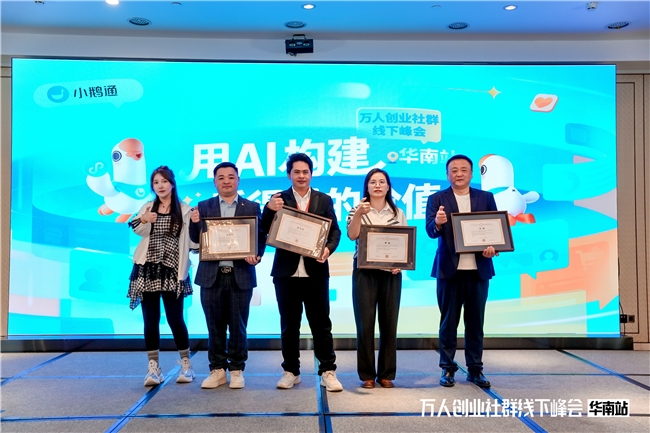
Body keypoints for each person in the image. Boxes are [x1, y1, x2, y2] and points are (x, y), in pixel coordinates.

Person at [261, 153, 343, 392]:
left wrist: (327, 249)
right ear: (289, 174)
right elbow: (263, 229)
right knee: (289, 325)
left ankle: (327, 370)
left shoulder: (323, 200)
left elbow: (335, 232)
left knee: (321, 324)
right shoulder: (278, 199)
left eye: (305, 172)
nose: (301, 176)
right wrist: (268, 209)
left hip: (315, 271)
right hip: (285, 273)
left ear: (311, 174)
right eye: (296, 172)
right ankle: (291, 371)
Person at [189, 162, 266, 390]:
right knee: (214, 326)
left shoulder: (251, 206)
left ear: (238, 180)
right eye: (221, 177)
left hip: (240, 274)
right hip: (211, 275)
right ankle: (217, 369)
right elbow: (195, 239)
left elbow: (260, 237)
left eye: (231, 177)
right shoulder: (204, 206)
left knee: (238, 325)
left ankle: (237, 369)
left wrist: (257, 255)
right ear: (215, 182)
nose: (226, 181)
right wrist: (194, 224)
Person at [425, 154, 498, 389]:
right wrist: (438, 222)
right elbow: (430, 231)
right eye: (454, 170)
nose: (459, 174)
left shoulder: (486, 198)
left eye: (463, 170)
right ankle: (447, 368)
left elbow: (495, 231)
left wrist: (493, 248)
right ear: (447, 175)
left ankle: (475, 369)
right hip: (449, 270)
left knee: (476, 323)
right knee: (448, 323)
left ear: (471, 174)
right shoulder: (437, 199)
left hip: (478, 270)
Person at [127, 166, 197, 386]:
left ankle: (186, 365)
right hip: (148, 268)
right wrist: (145, 219)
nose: (160, 186)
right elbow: (136, 229)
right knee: (151, 319)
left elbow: (193, 243)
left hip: (173, 270)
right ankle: (153, 368)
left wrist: (197, 224)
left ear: (172, 184)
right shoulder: (148, 207)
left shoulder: (185, 209)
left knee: (175, 318)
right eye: (156, 182)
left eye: (164, 181)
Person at [346, 168, 406, 389]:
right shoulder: (356, 210)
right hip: (364, 272)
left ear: (388, 187)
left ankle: (387, 373)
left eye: (382, 182)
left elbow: (404, 242)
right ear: (367, 186)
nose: (378, 185)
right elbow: (352, 235)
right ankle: (367, 375)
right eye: (373, 182)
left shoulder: (397, 213)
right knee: (365, 324)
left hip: (391, 273)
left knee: (390, 323)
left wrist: (400, 264)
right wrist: (359, 215)